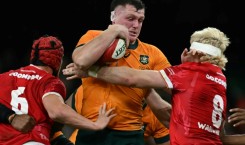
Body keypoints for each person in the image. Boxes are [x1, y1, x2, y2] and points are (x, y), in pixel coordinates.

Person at [71, 27, 231, 144]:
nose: (187, 52)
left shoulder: (189, 73)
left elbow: (131, 78)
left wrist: (92, 71)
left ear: (197, 53)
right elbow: (215, 132)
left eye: (190, 49)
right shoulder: (220, 80)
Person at [63, 0, 171, 145]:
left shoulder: (152, 53)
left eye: (140, 20)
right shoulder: (93, 36)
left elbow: (175, 86)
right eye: (130, 18)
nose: (136, 25)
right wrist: (113, 31)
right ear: (113, 17)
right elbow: (81, 61)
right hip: (91, 130)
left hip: (130, 135)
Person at [0, 35, 116, 145]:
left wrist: (9, 116)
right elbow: (56, 111)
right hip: (30, 140)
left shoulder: (3, 77)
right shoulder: (50, 82)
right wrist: (95, 125)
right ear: (58, 62)